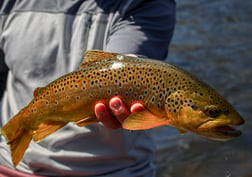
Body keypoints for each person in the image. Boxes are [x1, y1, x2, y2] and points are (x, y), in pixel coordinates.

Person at [0, 0, 176, 176]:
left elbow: (125, 63)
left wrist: (128, 65)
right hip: (11, 166)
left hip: (115, 172)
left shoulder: (147, 3)